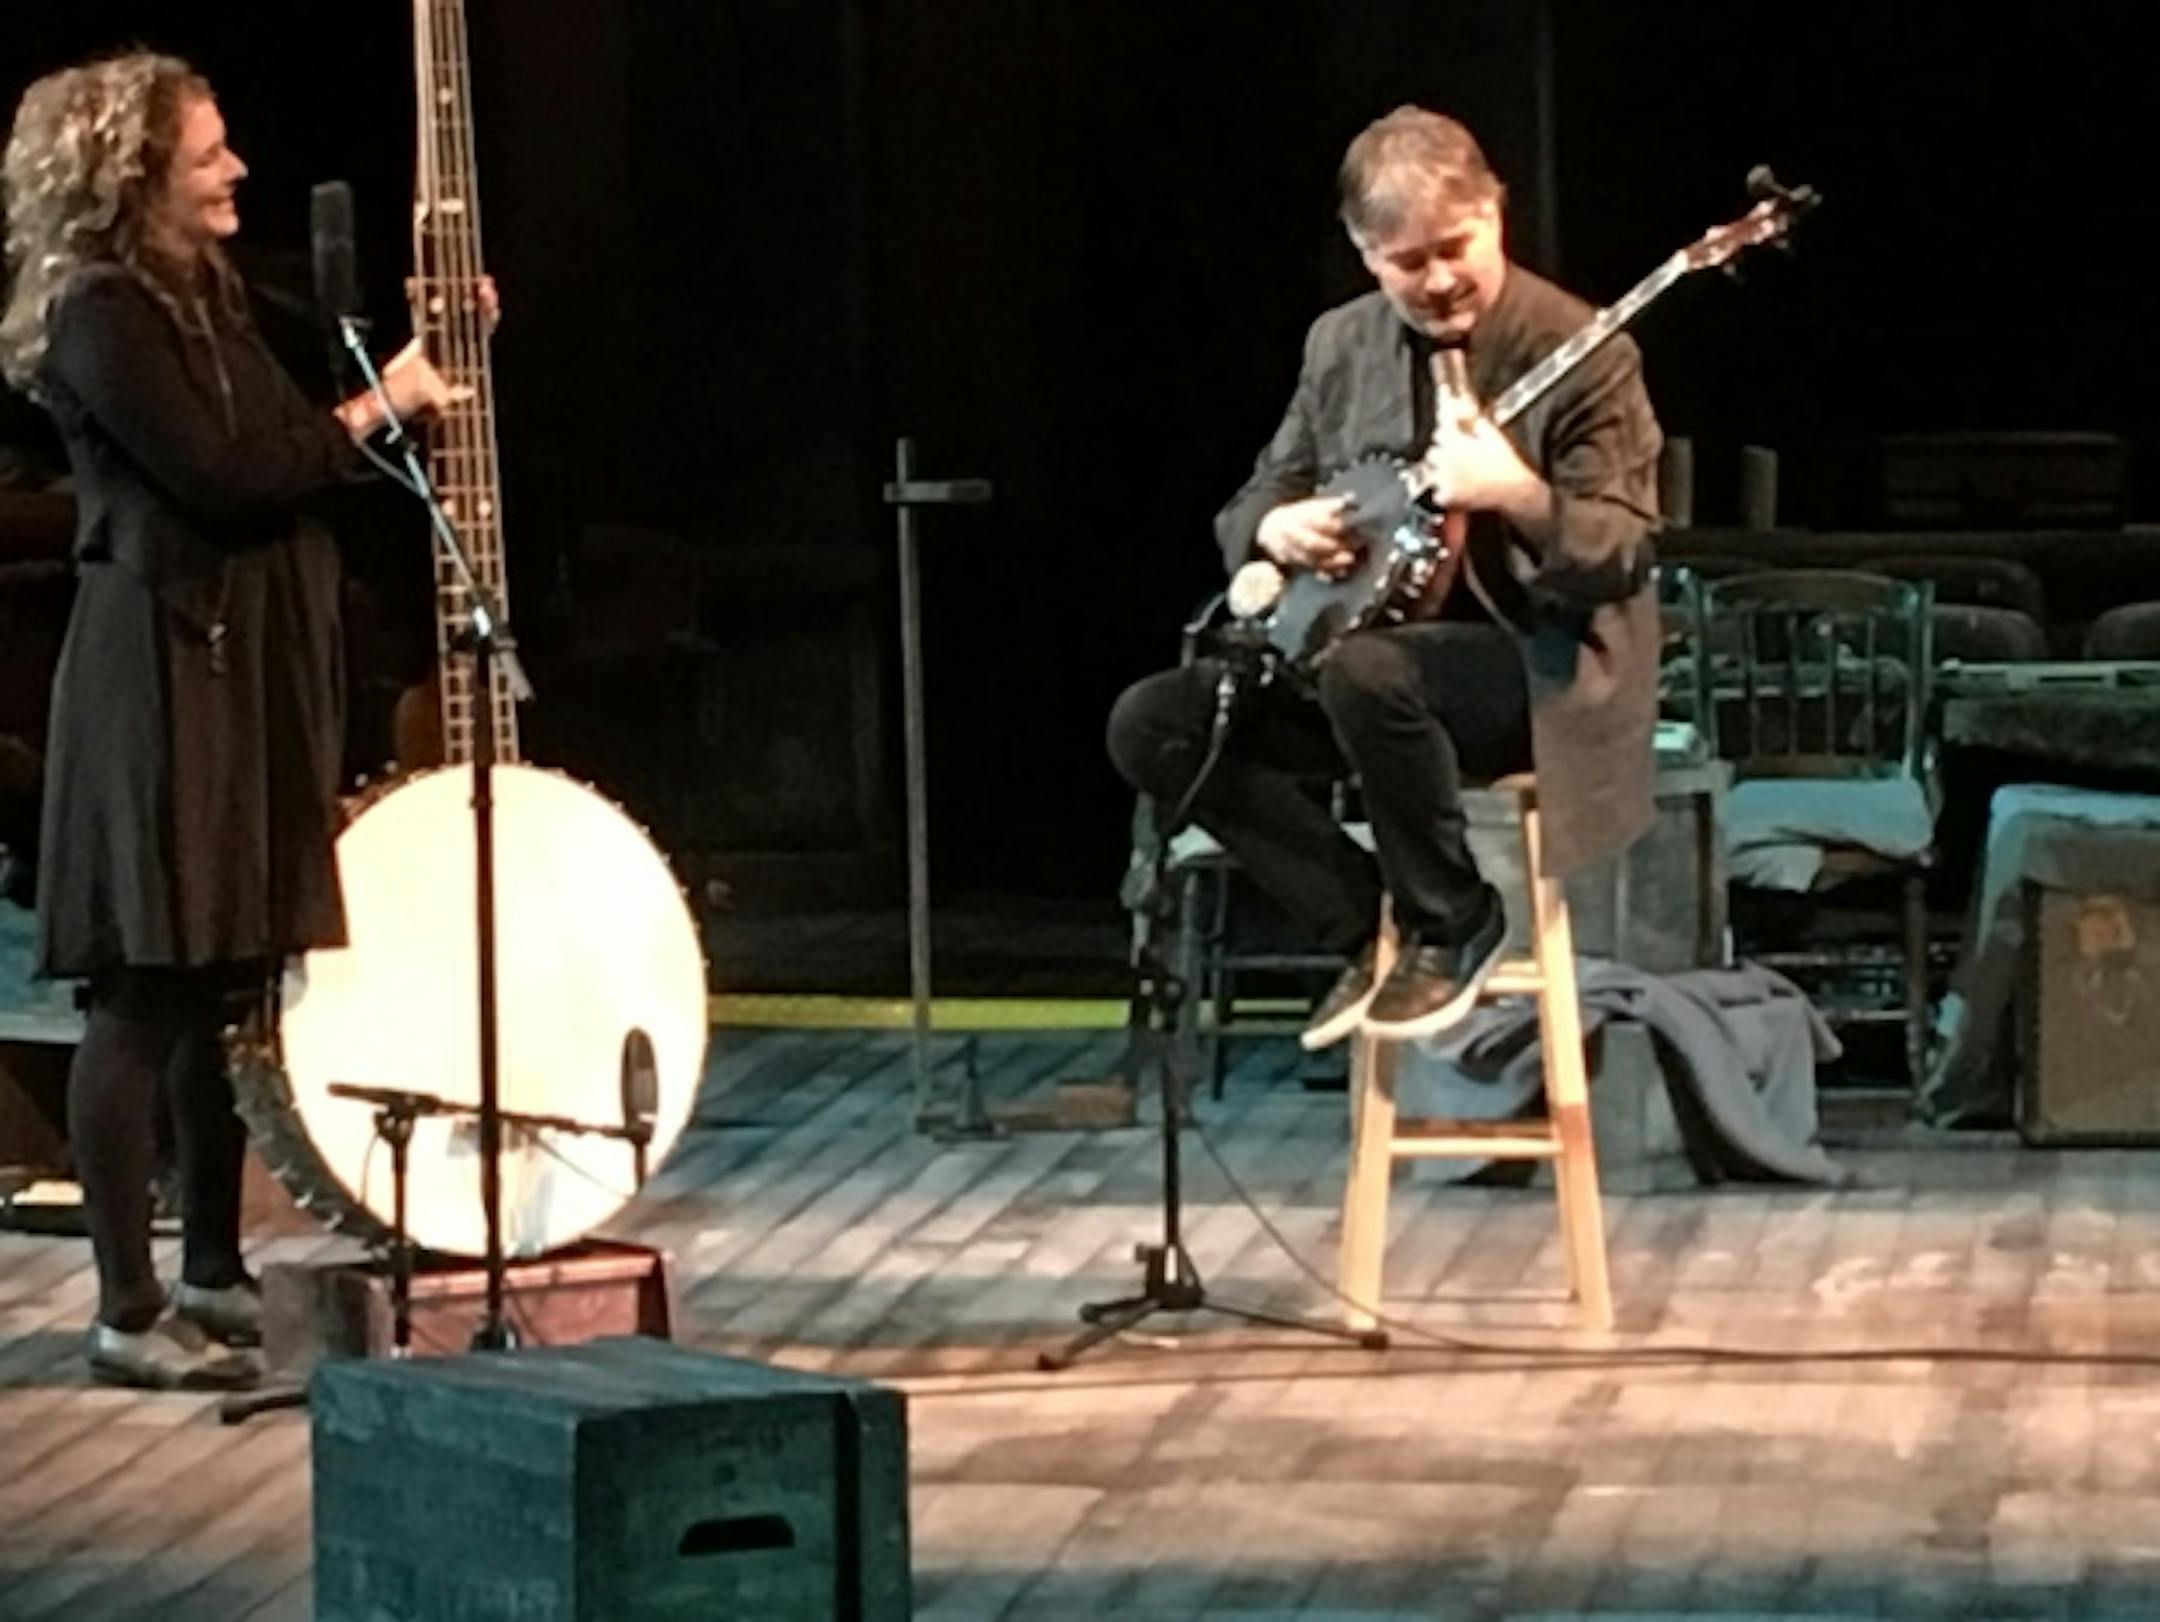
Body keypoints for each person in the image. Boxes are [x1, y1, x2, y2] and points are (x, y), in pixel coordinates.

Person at [1, 52, 458, 1388]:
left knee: (226, 980)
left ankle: (212, 1266)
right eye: (208, 152)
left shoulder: (198, 295)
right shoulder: (101, 311)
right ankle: (127, 1308)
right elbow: (230, 468)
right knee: (145, 987)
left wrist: (424, 345)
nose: (236, 169)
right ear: (136, 173)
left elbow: (301, 406)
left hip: (238, 659)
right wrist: (385, 405)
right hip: (161, 666)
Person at [1108, 105, 1662, 1051]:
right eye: (1410, 263)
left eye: (1458, 246)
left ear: (1497, 213)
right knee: (1155, 723)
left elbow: (1623, 551)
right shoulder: (1339, 344)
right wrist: (1276, 528)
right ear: (1367, 252)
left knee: (1370, 676)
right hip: (1360, 669)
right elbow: (1259, 493)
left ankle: (1454, 921)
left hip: (1534, 666)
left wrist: (1517, 494)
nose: (1441, 279)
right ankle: (1367, 927)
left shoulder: (1586, 350)